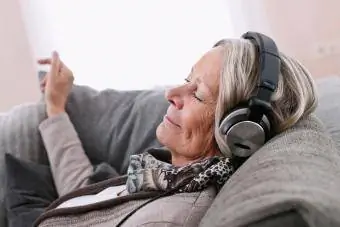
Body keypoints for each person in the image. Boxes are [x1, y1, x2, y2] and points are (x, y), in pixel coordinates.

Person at [34, 33, 317, 226]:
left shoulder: (166, 217)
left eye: (198, 94)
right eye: (186, 79)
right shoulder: (162, 177)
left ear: (239, 130)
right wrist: (56, 109)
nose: (171, 92)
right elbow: (87, 200)